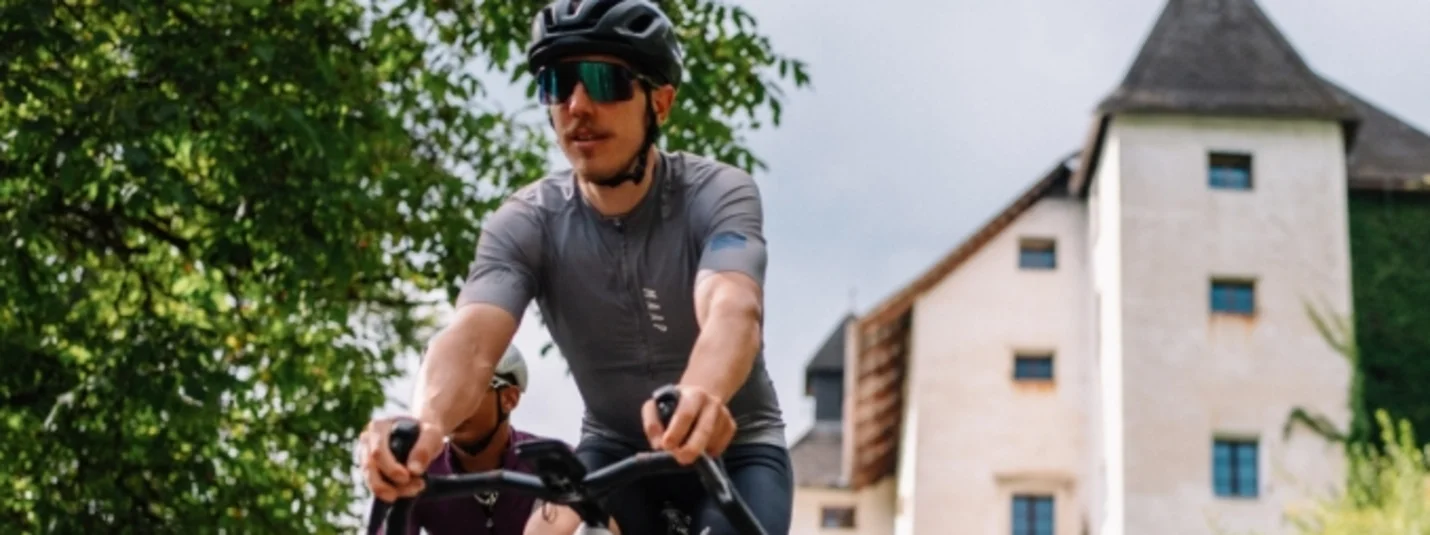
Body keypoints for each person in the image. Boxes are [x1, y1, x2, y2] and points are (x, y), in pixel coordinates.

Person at [360, 0, 793, 533]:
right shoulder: (526, 222)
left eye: (605, 82)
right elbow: (471, 342)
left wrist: (701, 392)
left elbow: (732, 307)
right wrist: (423, 424)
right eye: (558, 83)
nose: (578, 105)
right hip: (613, 448)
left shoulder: (718, 192)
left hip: (738, 447)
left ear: (660, 102)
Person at [371, 344, 574, 535]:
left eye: (467, 389)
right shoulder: (421, 469)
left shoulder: (555, 461)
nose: (452, 404)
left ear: (509, 398)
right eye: (443, 390)